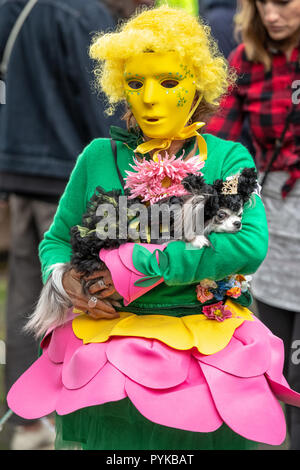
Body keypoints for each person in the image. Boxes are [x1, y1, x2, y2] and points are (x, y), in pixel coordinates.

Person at [6, 5, 300, 451]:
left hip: (205, 354)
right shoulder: (97, 158)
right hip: (111, 355)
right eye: (135, 82)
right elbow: (57, 239)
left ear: (197, 84)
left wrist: (141, 263)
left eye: (168, 82)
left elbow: (247, 244)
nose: (148, 98)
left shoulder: (227, 160)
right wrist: (66, 281)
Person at [0, 0, 123, 450]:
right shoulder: (81, 14)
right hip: (70, 180)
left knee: (26, 298)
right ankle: (74, 414)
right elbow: (104, 106)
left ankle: (26, 420)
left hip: (19, 170)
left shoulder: (12, 7)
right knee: (81, 299)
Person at [205, 0, 300, 450]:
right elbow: (222, 143)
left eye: (283, 2)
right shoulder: (246, 59)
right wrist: (203, 203)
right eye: (262, 3)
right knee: (276, 350)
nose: (271, 14)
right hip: (275, 212)